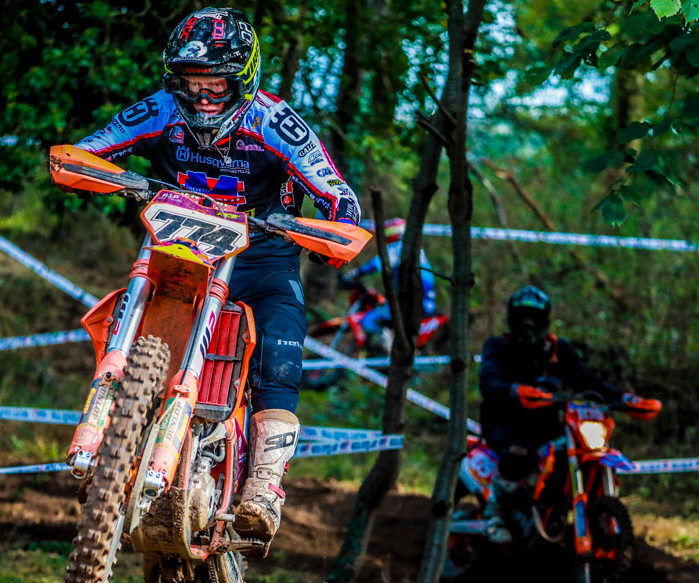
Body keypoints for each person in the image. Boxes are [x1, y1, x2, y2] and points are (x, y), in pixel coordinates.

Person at [71, 7, 361, 552]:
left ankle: (263, 489)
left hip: (261, 257)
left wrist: (334, 229)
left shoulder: (275, 123)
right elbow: (89, 148)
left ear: (242, 78)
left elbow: (337, 193)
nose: (202, 95)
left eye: (216, 83)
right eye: (191, 81)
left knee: (279, 352)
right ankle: (112, 437)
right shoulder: (159, 111)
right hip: (178, 251)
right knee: (125, 316)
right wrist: (89, 170)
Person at [478, 285, 657, 543]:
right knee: (518, 456)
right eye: (523, 317)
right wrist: (514, 390)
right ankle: (497, 516)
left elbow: (589, 382)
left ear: (544, 319)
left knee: (575, 450)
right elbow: (488, 381)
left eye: (534, 318)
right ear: (512, 318)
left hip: (548, 424)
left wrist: (627, 400)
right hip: (506, 423)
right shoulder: (498, 346)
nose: (528, 324)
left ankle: (584, 517)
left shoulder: (557, 349)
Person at [337, 218, 437, 351]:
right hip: (424, 302)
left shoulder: (399, 247)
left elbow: (376, 264)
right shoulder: (416, 250)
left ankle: (386, 353)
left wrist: (355, 273)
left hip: (409, 303)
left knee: (369, 321)